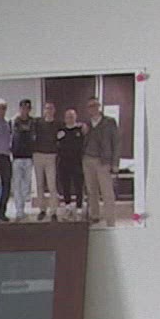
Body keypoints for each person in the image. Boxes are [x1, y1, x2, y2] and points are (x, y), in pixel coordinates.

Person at [83, 95, 119, 226]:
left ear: (99, 106)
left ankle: (110, 220)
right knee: (92, 191)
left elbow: (116, 143)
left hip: (103, 161)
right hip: (88, 160)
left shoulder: (109, 122)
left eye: (95, 105)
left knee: (107, 192)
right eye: (90, 106)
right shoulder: (86, 124)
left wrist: (115, 163)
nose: (92, 108)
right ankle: (95, 215)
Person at [30, 101, 59, 221]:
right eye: (47, 108)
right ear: (44, 110)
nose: (49, 110)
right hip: (38, 155)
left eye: (51, 108)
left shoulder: (58, 124)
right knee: (39, 184)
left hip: (51, 156)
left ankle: (53, 211)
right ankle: (42, 210)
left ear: (54, 110)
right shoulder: (37, 122)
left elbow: (69, 128)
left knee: (52, 185)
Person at [55, 107, 86, 219]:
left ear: (76, 117)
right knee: (65, 185)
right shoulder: (60, 131)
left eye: (72, 116)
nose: (70, 118)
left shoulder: (81, 129)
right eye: (68, 117)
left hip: (77, 162)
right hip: (64, 162)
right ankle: (67, 206)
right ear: (65, 118)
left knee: (78, 185)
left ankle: (79, 207)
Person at [10, 99, 36, 221]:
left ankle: (24, 205)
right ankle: (19, 211)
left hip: (29, 157)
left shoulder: (33, 122)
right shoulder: (13, 121)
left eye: (27, 108)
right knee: (17, 185)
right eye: (23, 107)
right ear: (20, 108)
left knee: (27, 185)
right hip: (17, 157)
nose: (25, 110)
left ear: (30, 109)